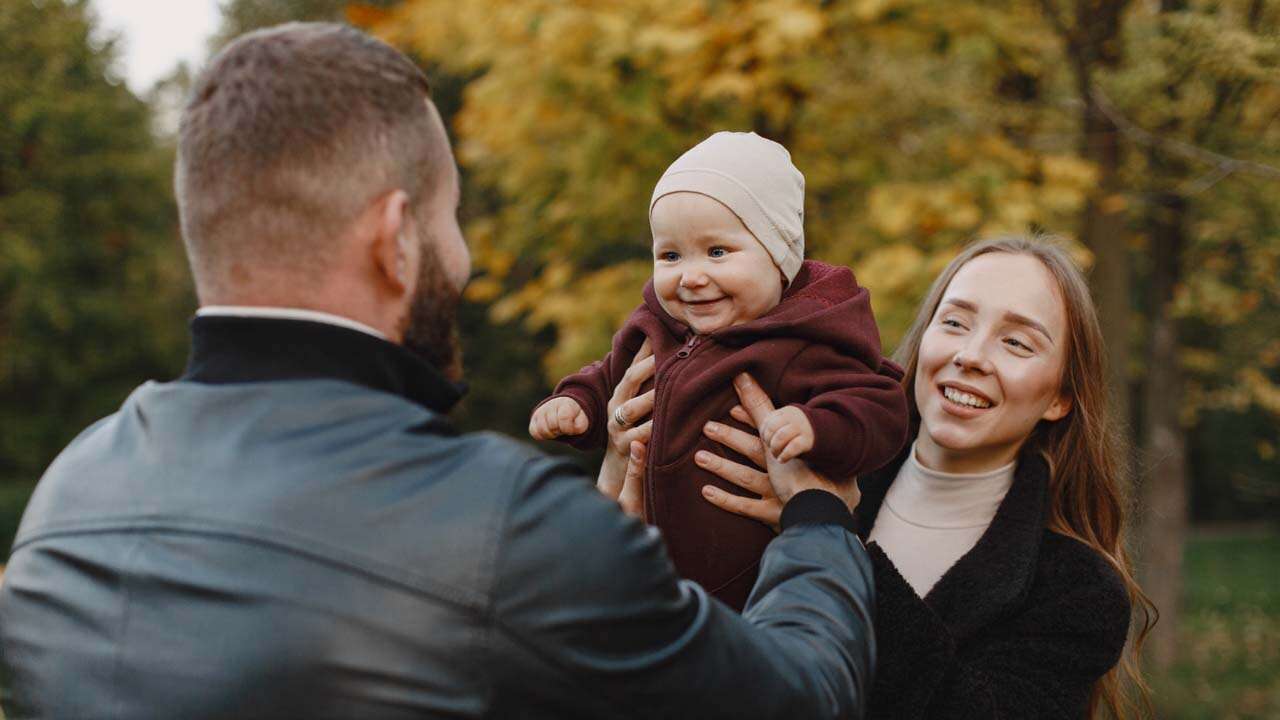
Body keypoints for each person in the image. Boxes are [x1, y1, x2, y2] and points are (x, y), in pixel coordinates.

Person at [0, 23, 879, 719]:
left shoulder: (70, 491)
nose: (460, 256)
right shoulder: (500, 528)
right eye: (450, 217)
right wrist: (815, 524)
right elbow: (798, 697)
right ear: (394, 239)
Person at [614, 236, 1156, 718]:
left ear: (1060, 396)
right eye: (955, 322)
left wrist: (823, 529)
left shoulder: (1078, 591)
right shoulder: (787, 454)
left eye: (1016, 343)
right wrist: (626, 475)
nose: (970, 356)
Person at [529, 131, 909, 609]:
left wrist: (816, 426)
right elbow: (610, 375)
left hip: (757, 581)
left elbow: (880, 409)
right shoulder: (657, 327)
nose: (691, 276)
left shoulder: (806, 340)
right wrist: (576, 402)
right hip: (653, 579)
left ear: (779, 257)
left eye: (717, 252)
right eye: (670, 256)